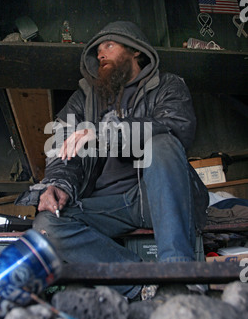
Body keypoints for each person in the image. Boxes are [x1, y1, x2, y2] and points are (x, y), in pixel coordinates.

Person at [31, 21, 209, 300]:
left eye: (109, 46)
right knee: (47, 224)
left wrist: (103, 133)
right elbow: (61, 145)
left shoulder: (166, 86)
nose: (101, 54)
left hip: (156, 197)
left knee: (161, 143)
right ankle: (142, 285)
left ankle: (178, 277)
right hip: (109, 204)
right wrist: (58, 184)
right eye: (98, 50)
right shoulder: (83, 100)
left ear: (136, 51)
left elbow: (176, 127)